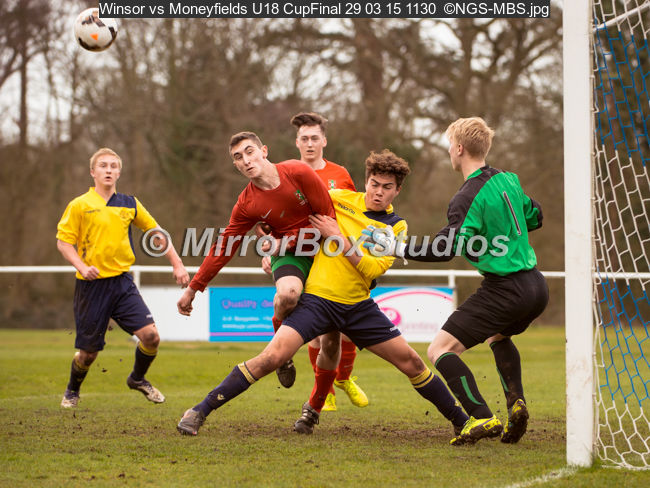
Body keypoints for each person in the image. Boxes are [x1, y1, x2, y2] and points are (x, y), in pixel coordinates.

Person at [176, 149, 469, 437]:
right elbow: (293, 215)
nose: (379, 192)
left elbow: (372, 269)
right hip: (317, 301)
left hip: (358, 307)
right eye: (374, 184)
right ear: (366, 181)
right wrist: (273, 240)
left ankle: (462, 421)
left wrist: (340, 239)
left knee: (412, 363)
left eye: (387, 187)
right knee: (271, 357)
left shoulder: (396, 226)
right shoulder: (338, 199)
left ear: (397, 190)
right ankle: (199, 411)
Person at [364, 117, 548, 446]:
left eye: (450, 144)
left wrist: (398, 247)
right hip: (536, 286)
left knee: (440, 349)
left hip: (505, 288)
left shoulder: (466, 196)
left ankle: (481, 416)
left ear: (459, 148)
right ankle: (516, 403)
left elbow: (445, 248)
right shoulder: (509, 179)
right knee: (498, 336)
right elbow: (535, 216)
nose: (449, 150)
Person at [177, 131, 336, 389]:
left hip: (325, 249)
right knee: (287, 295)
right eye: (238, 157)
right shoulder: (247, 203)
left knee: (333, 335)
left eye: (250, 152)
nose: (246, 160)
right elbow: (224, 246)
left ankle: (321, 399)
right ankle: (281, 347)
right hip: (291, 255)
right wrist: (193, 288)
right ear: (236, 165)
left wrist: (286, 241)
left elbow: (329, 220)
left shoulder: (298, 172)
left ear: (264, 151)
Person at [56, 147, 190, 408]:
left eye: (113, 166)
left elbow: (157, 233)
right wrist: (82, 266)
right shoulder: (79, 205)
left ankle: (137, 378)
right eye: (103, 166)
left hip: (122, 284)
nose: (108, 170)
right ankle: (72, 390)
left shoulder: (130, 204)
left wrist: (178, 264)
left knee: (151, 337)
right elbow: (63, 242)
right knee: (88, 354)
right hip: (91, 287)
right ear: (92, 172)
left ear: (119, 172)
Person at [261, 112, 367, 412]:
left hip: (332, 256)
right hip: (297, 253)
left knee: (342, 328)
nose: (309, 143)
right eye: (304, 138)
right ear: (297, 142)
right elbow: (268, 219)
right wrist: (268, 250)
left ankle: (342, 379)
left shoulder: (340, 174)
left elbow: (352, 215)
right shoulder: (283, 173)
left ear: (324, 141)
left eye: (314, 138)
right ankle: (326, 391)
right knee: (313, 326)